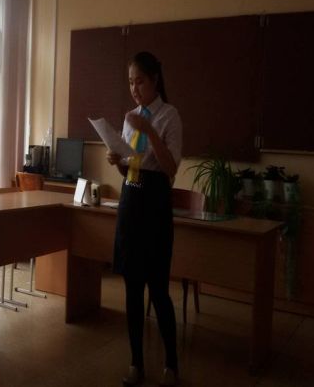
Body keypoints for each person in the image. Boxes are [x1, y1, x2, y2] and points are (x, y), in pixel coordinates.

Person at [106, 52, 182, 386]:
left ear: (154, 80)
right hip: (131, 200)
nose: (134, 88)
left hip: (155, 206)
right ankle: (136, 363)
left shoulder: (169, 116)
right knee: (132, 289)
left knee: (159, 290)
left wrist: (149, 130)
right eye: (130, 82)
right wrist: (117, 161)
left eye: (139, 81)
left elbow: (171, 168)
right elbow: (131, 169)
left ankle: (171, 365)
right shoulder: (130, 117)